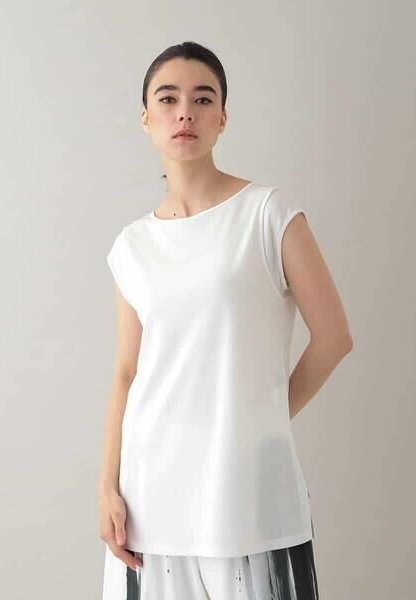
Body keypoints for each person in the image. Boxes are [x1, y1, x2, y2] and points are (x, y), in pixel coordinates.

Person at [99, 41, 353, 599]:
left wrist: (259, 420)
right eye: (168, 99)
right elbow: (126, 371)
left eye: (202, 98)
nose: (184, 112)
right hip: (149, 491)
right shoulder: (132, 246)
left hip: (245, 489)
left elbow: (334, 338)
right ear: (146, 117)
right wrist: (107, 487)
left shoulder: (267, 213)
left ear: (222, 118)